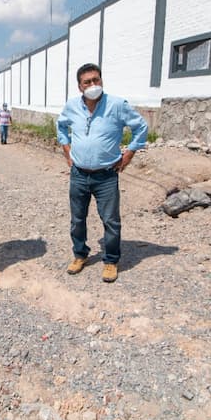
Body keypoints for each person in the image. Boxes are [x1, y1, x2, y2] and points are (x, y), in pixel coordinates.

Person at [56, 63, 148, 283]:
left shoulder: (117, 105)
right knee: (77, 219)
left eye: (96, 80)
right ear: (80, 86)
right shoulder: (71, 106)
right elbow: (61, 127)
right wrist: (67, 151)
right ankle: (80, 254)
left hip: (106, 175)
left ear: (102, 81)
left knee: (110, 221)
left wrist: (129, 155)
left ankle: (110, 260)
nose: (93, 85)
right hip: (79, 174)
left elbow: (141, 127)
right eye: (87, 82)